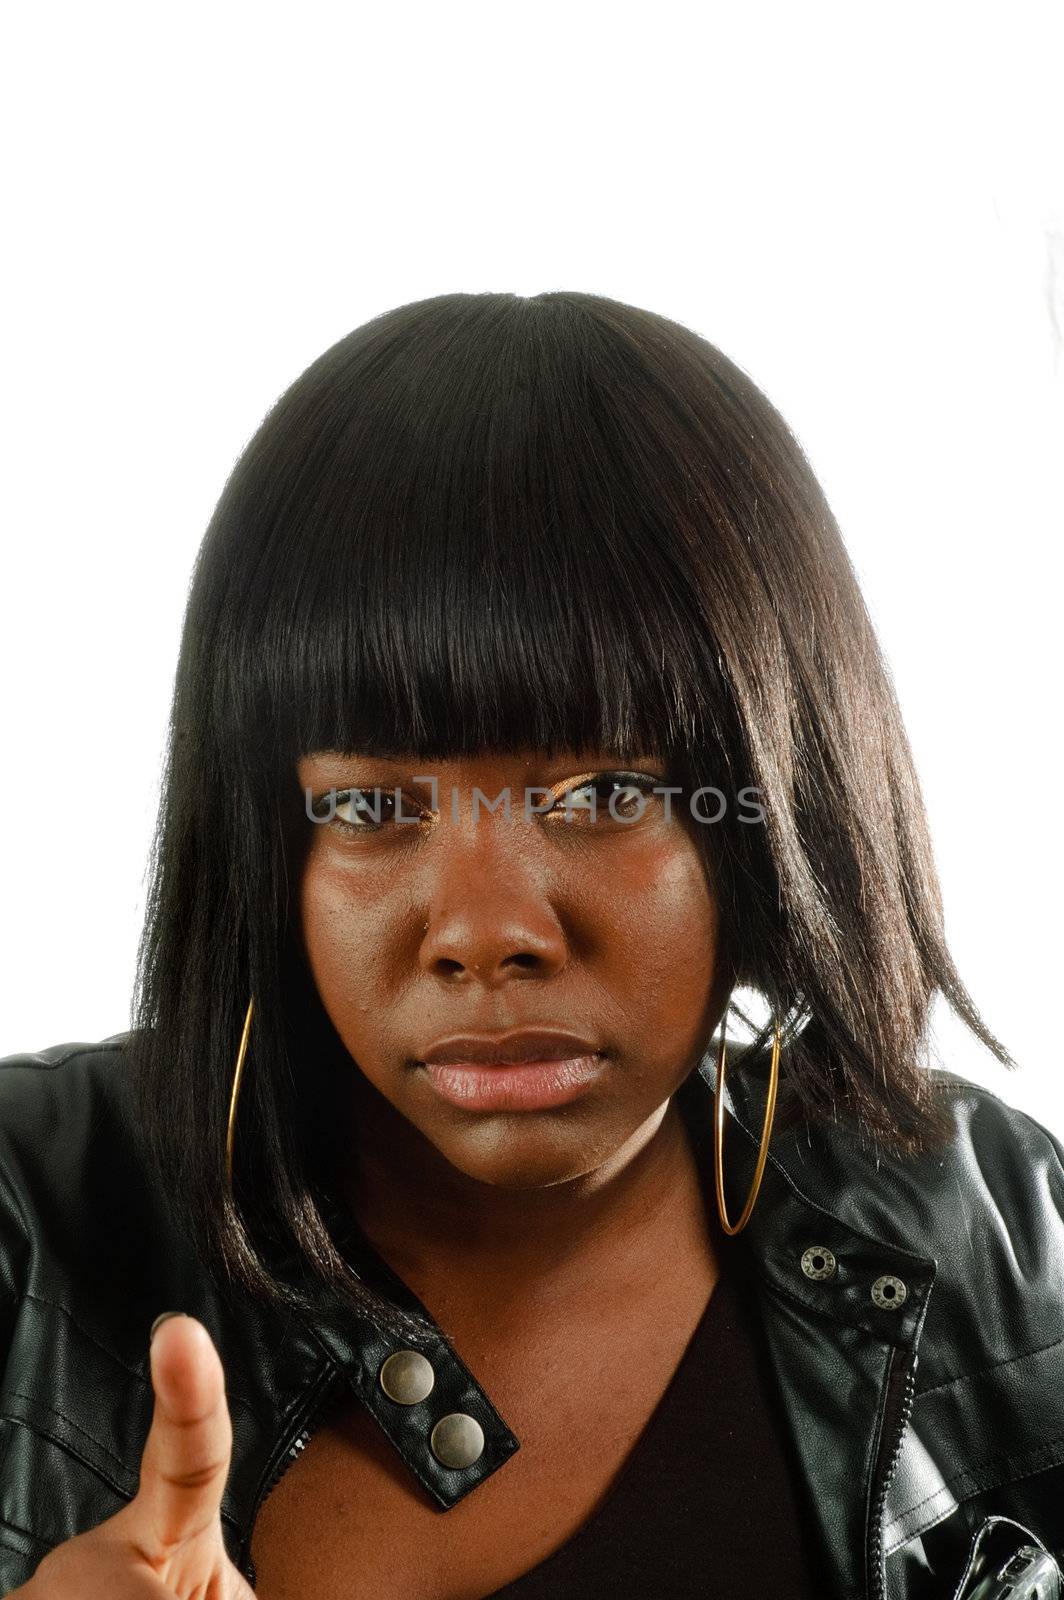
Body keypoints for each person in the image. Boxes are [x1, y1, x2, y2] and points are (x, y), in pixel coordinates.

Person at [2, 290, 1063, 1600]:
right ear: (267, 849)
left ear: (779, 809)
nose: (488, 931)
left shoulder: (1000, 1243)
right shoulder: (27, 1227)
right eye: (372, 808)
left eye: (607, 795)